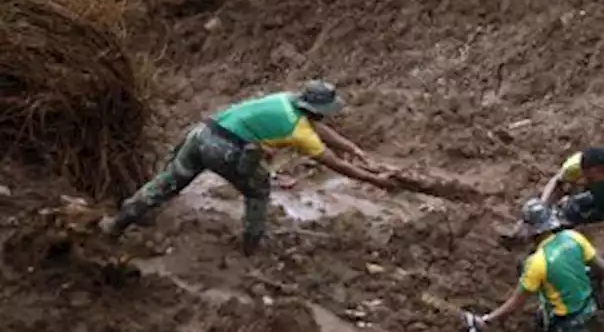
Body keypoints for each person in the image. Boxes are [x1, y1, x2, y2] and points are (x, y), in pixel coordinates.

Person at [103, 81, 396, 254]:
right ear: (317, 110)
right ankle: (250, 246)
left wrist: (353, 148)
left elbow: (319, 131)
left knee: (170, 182)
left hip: (202, 134)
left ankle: (120, 222)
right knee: (258, 190)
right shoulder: (299, 132)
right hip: (227, 150)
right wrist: (374, 180)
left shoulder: (284, 99)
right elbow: (335, 165)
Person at [469, 199, 604, 332]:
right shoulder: (573, 237)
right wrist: (599, 285)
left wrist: (486, 320)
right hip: (588, 304)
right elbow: (601, 267)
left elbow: (516, 302)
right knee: (543, 322)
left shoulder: (537, 263)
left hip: (568, 319)